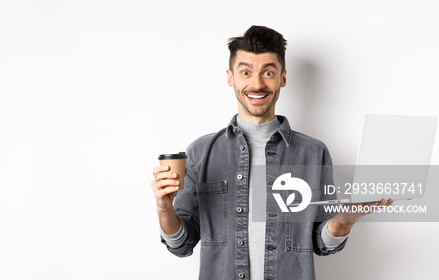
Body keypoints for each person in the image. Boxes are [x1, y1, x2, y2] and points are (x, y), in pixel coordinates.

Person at [150, 25, 393, 280]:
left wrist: (342, 222)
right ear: (231, 77)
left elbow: (322, 242)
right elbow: (181, 244)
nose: (257, 83)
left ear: (282, 78)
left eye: (268, 72)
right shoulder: (201, 152)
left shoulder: (313, 153)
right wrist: (165, 208)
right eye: (246, 72)